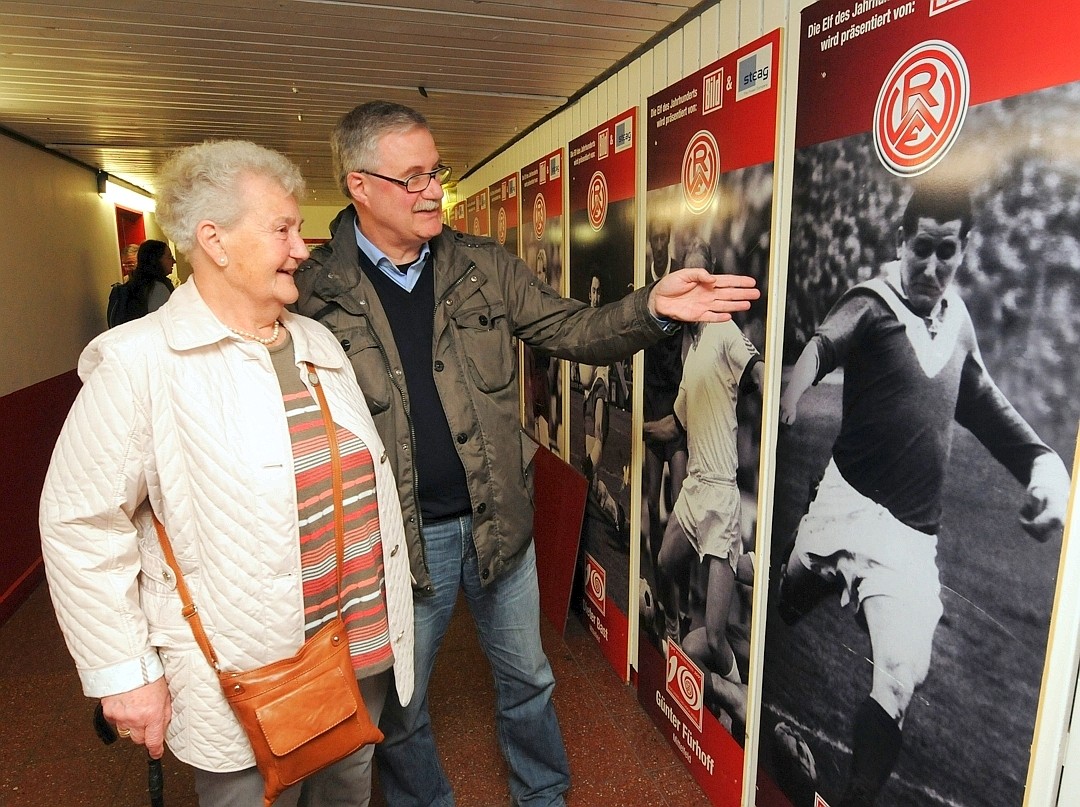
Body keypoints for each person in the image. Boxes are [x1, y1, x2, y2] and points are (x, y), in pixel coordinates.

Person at [291, 99, 759, 807]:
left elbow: (576, 329)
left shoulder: (481, 267)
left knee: (529, 679)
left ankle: (544, 795)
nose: (432, 191)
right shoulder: (315, 296)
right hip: (395, 545)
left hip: (499, 529)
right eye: (411, 177)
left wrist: (654, 307)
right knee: (398, 708)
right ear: (359, 185)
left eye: (435, 172)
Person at [40, 139, 414, 807]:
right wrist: (124, 673)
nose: (304, 247)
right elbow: (80, 525)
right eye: (283, 229)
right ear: (212, 240)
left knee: (349, 789)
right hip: (248, 675)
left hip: (358, 647)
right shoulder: (140, 363)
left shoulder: (317, 341)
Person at [776, 182, 1071, 807]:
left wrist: (1046, 469)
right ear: (902, 241)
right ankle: (768, 612)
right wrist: (792, 395)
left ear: (963, 252)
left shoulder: (957, 324)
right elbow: (822, 344)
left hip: (910, 542)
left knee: (901, 678)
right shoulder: (873, 301)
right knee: (784, 602)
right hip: (843, 507)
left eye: (948, 253)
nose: (933, 267)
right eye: (924, 250)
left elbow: (989, 409)